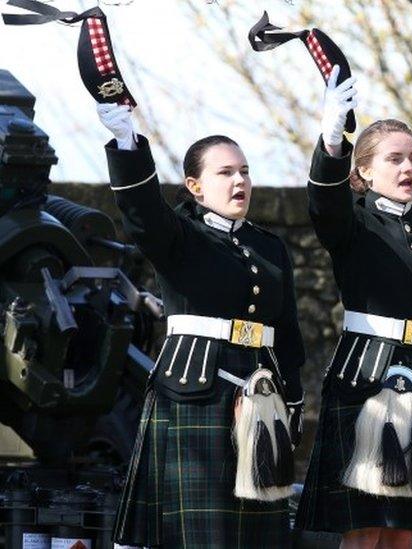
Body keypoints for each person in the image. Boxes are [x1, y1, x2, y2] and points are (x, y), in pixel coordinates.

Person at [99, 104, 305, 547]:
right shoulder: (178, 237)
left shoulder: (269, 248)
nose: (239, 182)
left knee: (259, 534)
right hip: (196, 393)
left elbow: (286, 329)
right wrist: (125, 140)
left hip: (262, 395)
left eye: (245, 172)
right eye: (225, 172)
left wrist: (295, 398)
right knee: (202, 534)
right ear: (194, 186)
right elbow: (140, 208)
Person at [295, 67, 412, 548]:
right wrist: (331, 144)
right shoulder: (351, 222)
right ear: (365, 171)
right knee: (365, 526)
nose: (408, 168)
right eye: (395, 159)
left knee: (406, 528)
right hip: (366, 378)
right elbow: (322, 205)